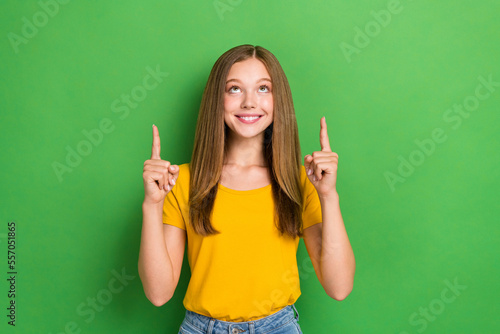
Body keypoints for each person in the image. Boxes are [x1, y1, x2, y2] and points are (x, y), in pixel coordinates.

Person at [138, 44, 355, 334]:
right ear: (218, 100)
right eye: (234, 89)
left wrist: (329, 195)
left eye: (263, 88)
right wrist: (152, 205)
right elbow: (158, 293)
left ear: (279, 101)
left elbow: (339, 287)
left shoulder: (300, 183)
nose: (250, 102)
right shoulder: (183, 182)